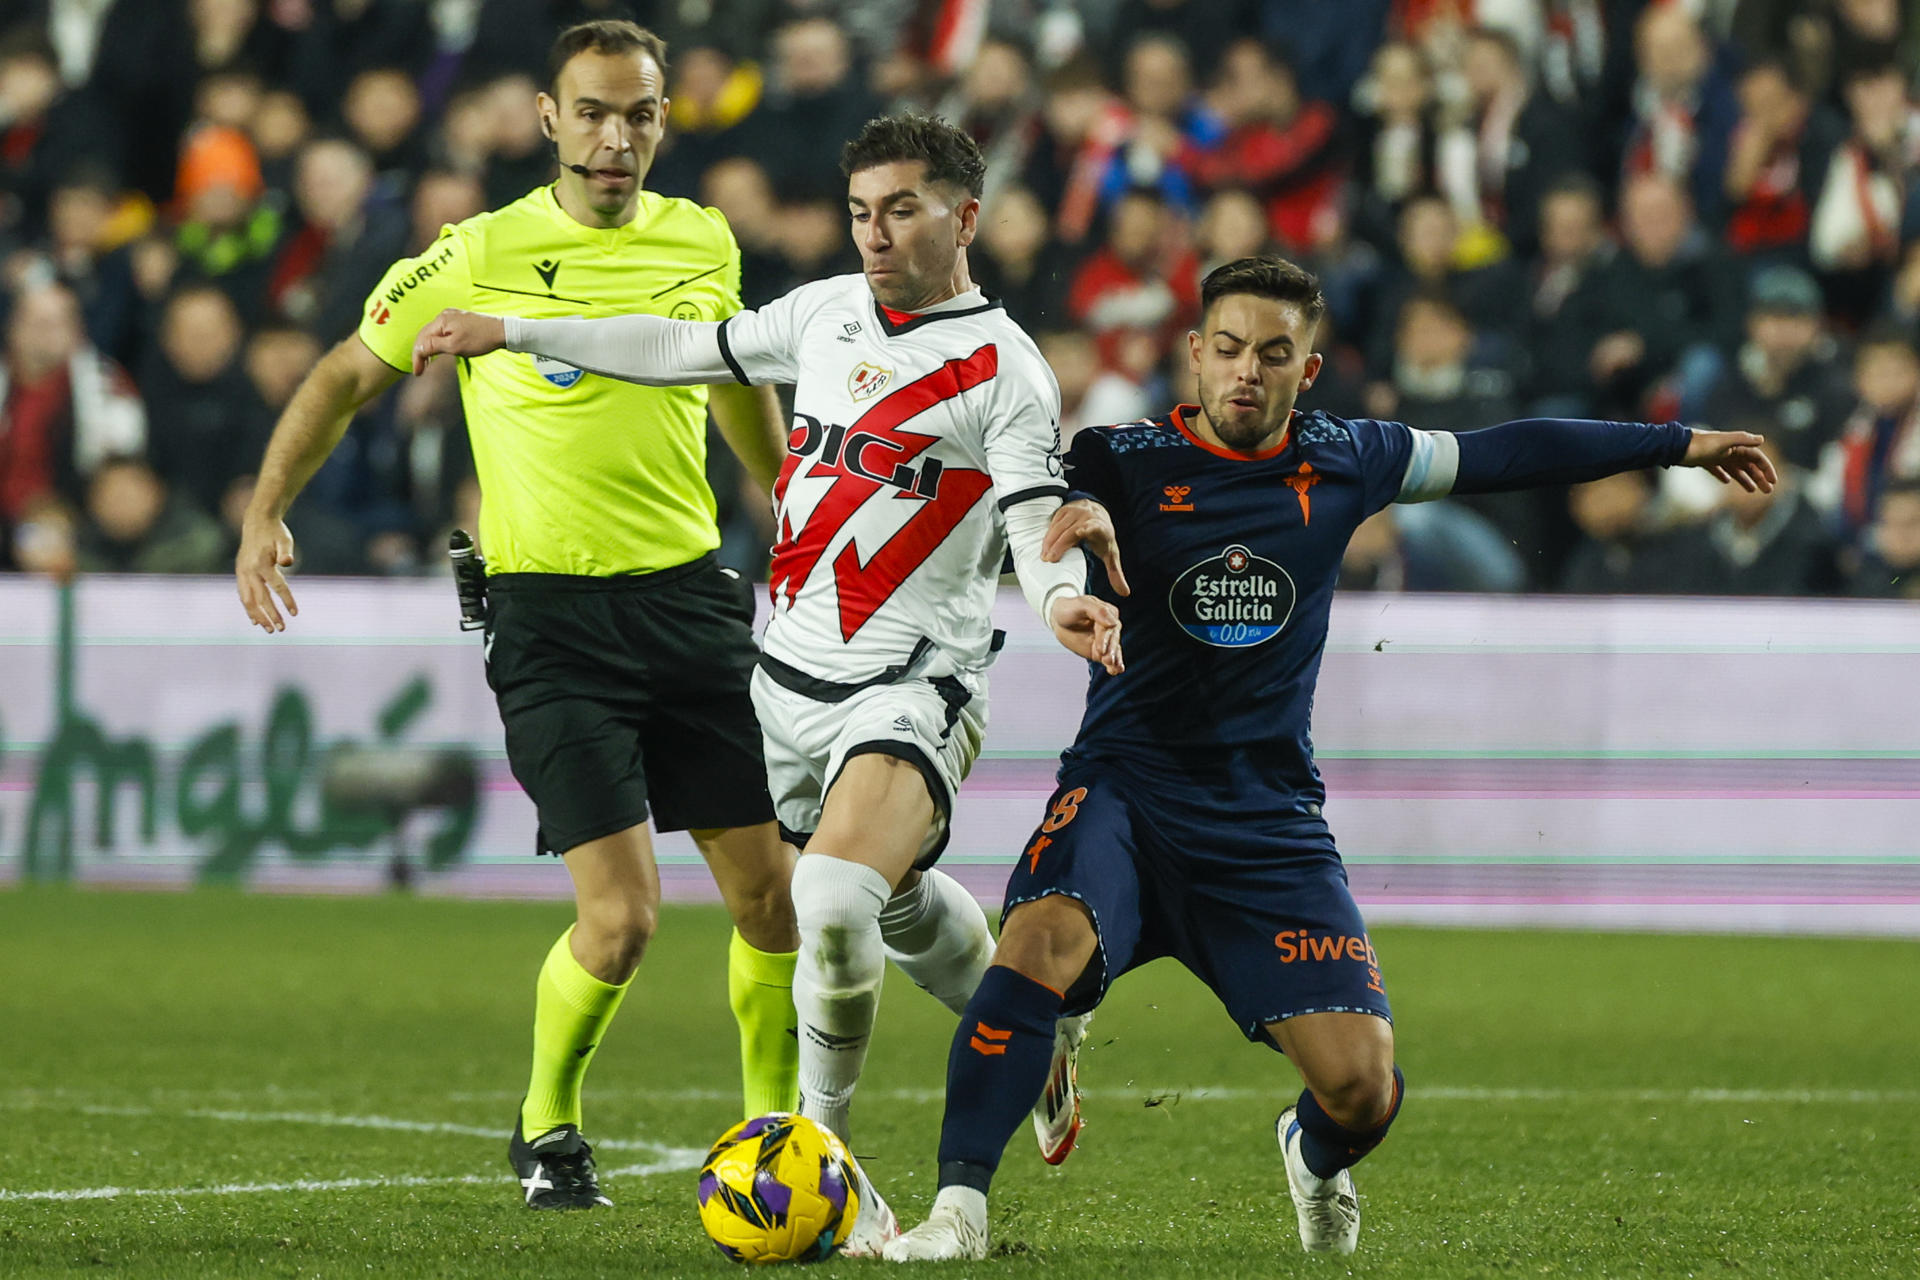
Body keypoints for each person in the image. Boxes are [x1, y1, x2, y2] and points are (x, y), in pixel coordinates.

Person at [880, 257, 1776, 1262]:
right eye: (1226, 350)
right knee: (1034, 946)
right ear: (1194, 355)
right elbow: (1045, 502)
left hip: (1264, 820)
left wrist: (1678, 442)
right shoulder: (1121, 456)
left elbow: (1509, 451)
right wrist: (1069, 533)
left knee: (1364, 1086)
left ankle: (1309, 1152)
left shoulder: (1349, 456)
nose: (1245, 372)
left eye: (1273, 353)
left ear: (1309, 369)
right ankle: (957, 1212)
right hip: (1125, 787)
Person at [409, 111, 1125, 1256]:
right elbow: (682, 347)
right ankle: (1029, 1026)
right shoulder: (827, 313)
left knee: (828, 899)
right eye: (860, 212)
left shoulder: (1007, 370)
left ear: (966, 217)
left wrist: (1060, 603)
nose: (876, 234)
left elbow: (1036, 518)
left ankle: (826, 1165)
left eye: (901, 209)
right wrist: (505, 325)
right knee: (884, 903)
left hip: (913, 684)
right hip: (781, 683)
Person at [233, 20, 803, 1214]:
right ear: (547, 117)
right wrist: (266, 507)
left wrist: (787, 493)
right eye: (591, 112)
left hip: (694, 601)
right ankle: (548, 1125)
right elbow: (345, 371)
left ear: (662, 120)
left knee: (772, 897)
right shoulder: (477, 253)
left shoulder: (702, 238)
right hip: (551, 622)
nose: (615, 136)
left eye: (638, 113)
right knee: (624, 919)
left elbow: (734, 378)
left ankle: (779, 1134)